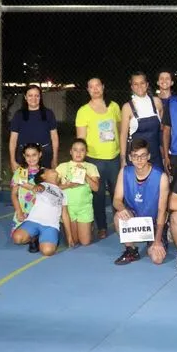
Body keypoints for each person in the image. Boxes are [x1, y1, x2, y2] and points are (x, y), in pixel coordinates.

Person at [75, 77, 122, 240]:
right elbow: (80, 139)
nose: (95, 89)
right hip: (94, 160)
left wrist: (122, 153)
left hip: (114, 157)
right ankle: (102, 226)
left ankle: (120, 223)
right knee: (98, 195)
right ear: (88, 90)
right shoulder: (83, 111)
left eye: (98, 86)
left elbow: (120, 130)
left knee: (118, 193)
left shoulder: (114, 106)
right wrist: (80, 162)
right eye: (91, 87)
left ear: (103, 87)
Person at [112, 139, 171, 265]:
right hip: (135, 217)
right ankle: (131, 250)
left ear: (149, 156)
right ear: (130, 157)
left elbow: (162, 211)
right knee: (119, 216)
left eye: (143, 156)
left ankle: (161, 237)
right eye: (135, 156)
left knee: (157, 259)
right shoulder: (124, 172)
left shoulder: (161, 177)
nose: (139, 160)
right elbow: (116, 200)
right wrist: (122, 208)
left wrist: (157, 240)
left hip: (154, 221)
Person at [11, 167, 74, 256]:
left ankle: (46, 237)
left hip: (51, 225)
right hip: (33, 221)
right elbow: (32, 186)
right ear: (43, 176)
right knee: (17, 238)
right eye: (49, 170)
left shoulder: (63, 193)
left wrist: (69, 236)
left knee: (47, 251)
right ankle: (35, 237)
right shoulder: (43, 185)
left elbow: (65, 215)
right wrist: (36, 186)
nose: (53, 169)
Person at [56, 138, 100, 246]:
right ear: (71, 152)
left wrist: (85, 175)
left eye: (82, 150)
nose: (78, 153)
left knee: (85, 242)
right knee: (74, 241)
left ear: (86, 152)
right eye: (75, 150)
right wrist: (67, 185)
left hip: (84, 208)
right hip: (68, 208)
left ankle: (90, 225)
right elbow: (54, 187)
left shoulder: (91, 167)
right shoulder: (62, 167)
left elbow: (96, 188)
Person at [8, 84, 59, 170]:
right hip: (24, 154)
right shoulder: (19, 115)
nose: (33, 98)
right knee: (23, 182)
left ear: (40, 97)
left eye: (37, 96)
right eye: (30, 95)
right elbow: (13, 139)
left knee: (44, 182)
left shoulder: (48, 114)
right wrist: (12, 160)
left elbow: (54, 137)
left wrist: (55, 158)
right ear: (25, 97)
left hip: (44, 153)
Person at [120, 71, 164, 167]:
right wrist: (123, 159)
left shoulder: (157, 102)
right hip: (136, 158)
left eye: (142, 83)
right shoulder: (127, 107)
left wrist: (164, 155)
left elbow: (161, 130)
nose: (139, 86)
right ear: (131, 87)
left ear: (147, 84)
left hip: (155, 155)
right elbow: (123, 135)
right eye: (135, 84)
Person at [10, 143, 45, 235]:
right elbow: (14, 194)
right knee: (17, 237)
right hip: (23, 211)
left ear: (40, 154)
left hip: (39, 212)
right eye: (28, 155)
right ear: (24, 156)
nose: (31, 158)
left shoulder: (45, 173)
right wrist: (19, 212)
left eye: (34, 155)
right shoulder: (20, 172)